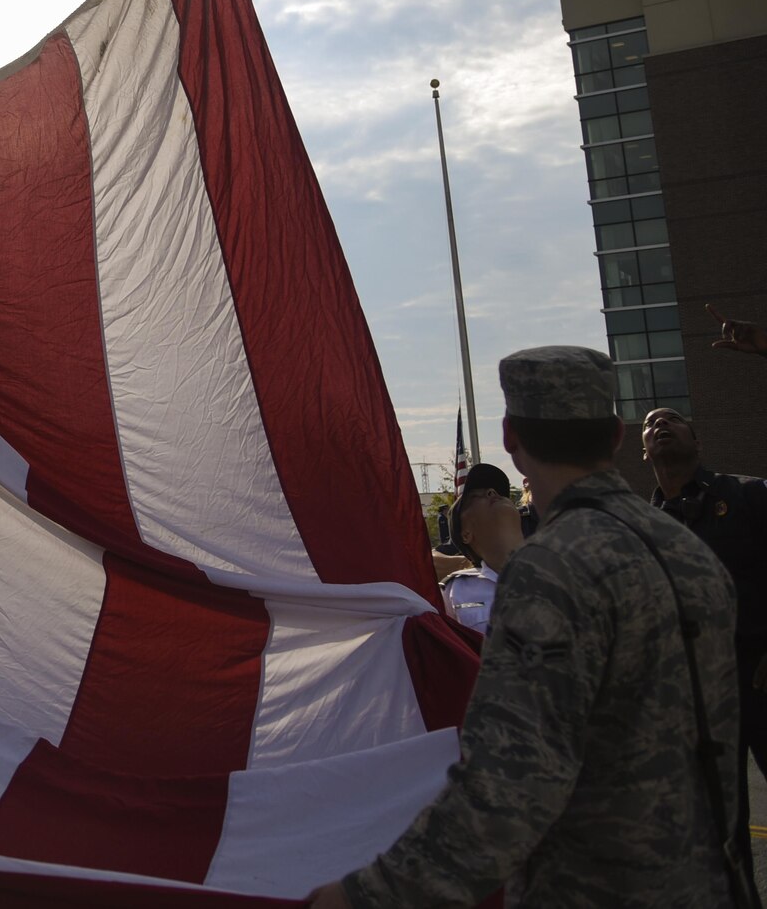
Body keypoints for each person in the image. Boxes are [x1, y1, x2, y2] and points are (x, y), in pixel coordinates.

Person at [309, 345, 745, 909]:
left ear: (512, 439)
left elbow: (506, 792)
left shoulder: (549, 570)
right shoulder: (690, 552)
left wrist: (363, 896)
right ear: (615, 435)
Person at [645, 404, 767, 789]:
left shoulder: (751, 494)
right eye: (649, 424)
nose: (660, 423)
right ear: (644, 451)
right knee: (718, 827)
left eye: (673, 419)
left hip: (760, 677)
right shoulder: (640, 528)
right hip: (694, 697)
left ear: (697, 441)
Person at [438, 462, 525, 634]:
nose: (492, 493)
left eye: (496, 491)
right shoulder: (453, 592)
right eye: (475, 497)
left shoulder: (564, 568)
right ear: (466, 534)